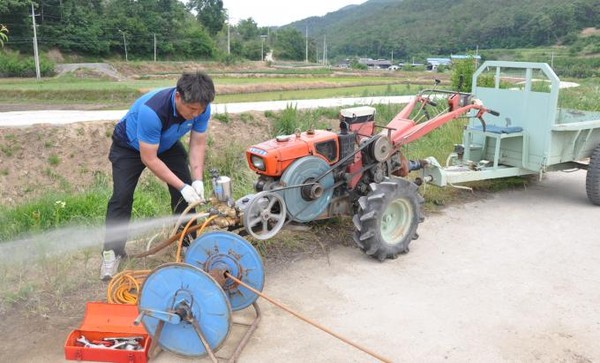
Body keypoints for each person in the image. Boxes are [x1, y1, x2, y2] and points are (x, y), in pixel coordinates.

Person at [100, 71, 215, 281]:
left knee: (185, 196)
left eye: (201, 110)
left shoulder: (201, 108)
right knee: (122, 197)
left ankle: (188, 245)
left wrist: (196, 180)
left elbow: (198, 143)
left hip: (166, 145)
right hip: (130, 147)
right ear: (178, 97)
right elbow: (149, 159)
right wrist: (183, 186)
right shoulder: (152, 111)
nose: (196, 114)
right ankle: (112, 253)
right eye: (192, 109)